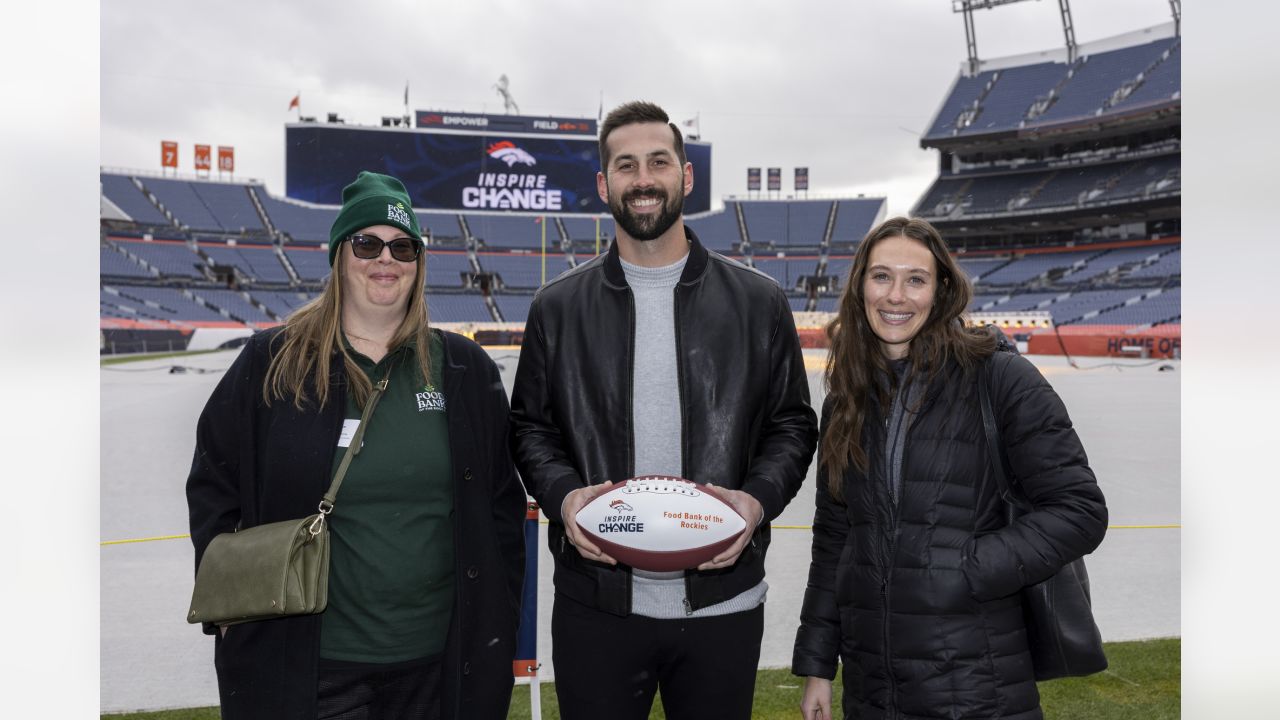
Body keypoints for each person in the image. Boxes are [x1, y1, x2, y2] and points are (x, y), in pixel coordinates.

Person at [509, 100, 818, 720]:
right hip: (596, 605)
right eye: (626, 165)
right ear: (604, 184)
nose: (643, 178)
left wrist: (756, 502)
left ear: (686, 175)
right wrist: (566, 497)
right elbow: (531, 430)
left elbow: (791, 424)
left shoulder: (759, 302)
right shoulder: (557, 308)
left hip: (722, 605)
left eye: (658, 161)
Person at [186, 171, 526, 720]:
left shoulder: (464, 370)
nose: (384, 258)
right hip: (306, 663)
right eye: (366, 243)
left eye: (402, 246)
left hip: (439, 664)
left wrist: (499, 615)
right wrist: (227, 582)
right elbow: (213, 482)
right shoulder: (273, 362)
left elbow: (502, 508)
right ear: (339, 256)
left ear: (418, 262)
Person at [791, 216, 1109, 720]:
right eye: (881, 277)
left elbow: (1080, 511)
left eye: (915, 279)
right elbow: (833, 543)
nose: (896, 296)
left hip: (978, 683)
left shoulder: (999, 378)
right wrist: (817, 666)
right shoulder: (846, 401)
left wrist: (966, 568)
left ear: (940, 293)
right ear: (859, 288)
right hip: (872, 687)